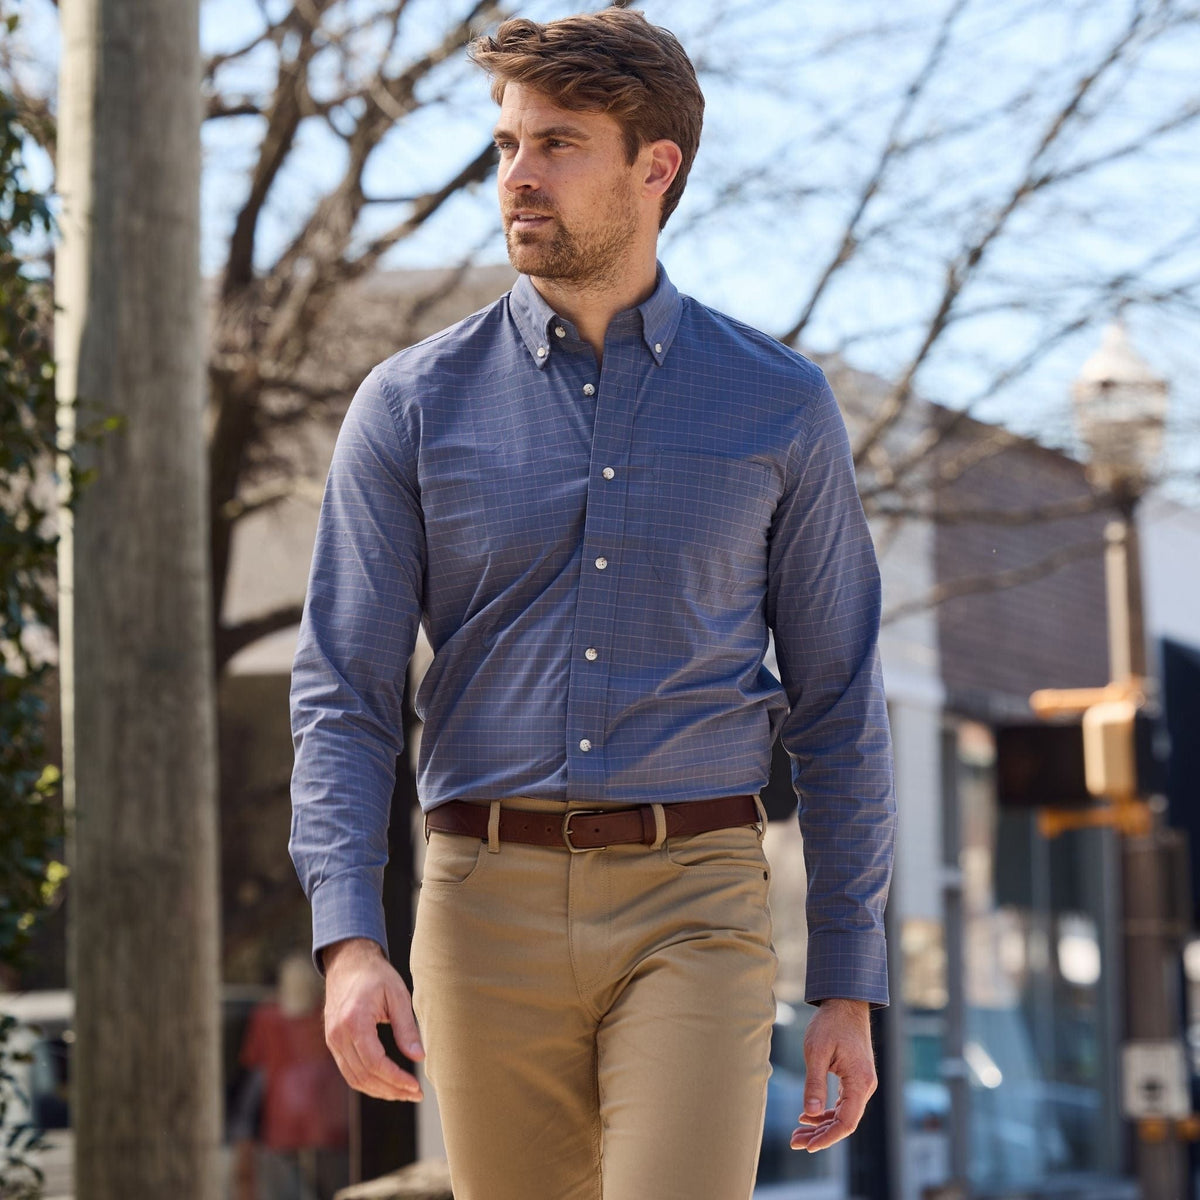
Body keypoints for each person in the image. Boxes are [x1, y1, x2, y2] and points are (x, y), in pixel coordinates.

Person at [289, 8, 896, 1199]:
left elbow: (839, 705)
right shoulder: (409, 405)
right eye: (507, 144)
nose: (517, 175)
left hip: (699, 897)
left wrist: (849, 981)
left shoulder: (779, 407)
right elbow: (346, 691)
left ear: (654, 166)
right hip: (481, 901)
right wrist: (350, 938)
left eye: (557, 144)